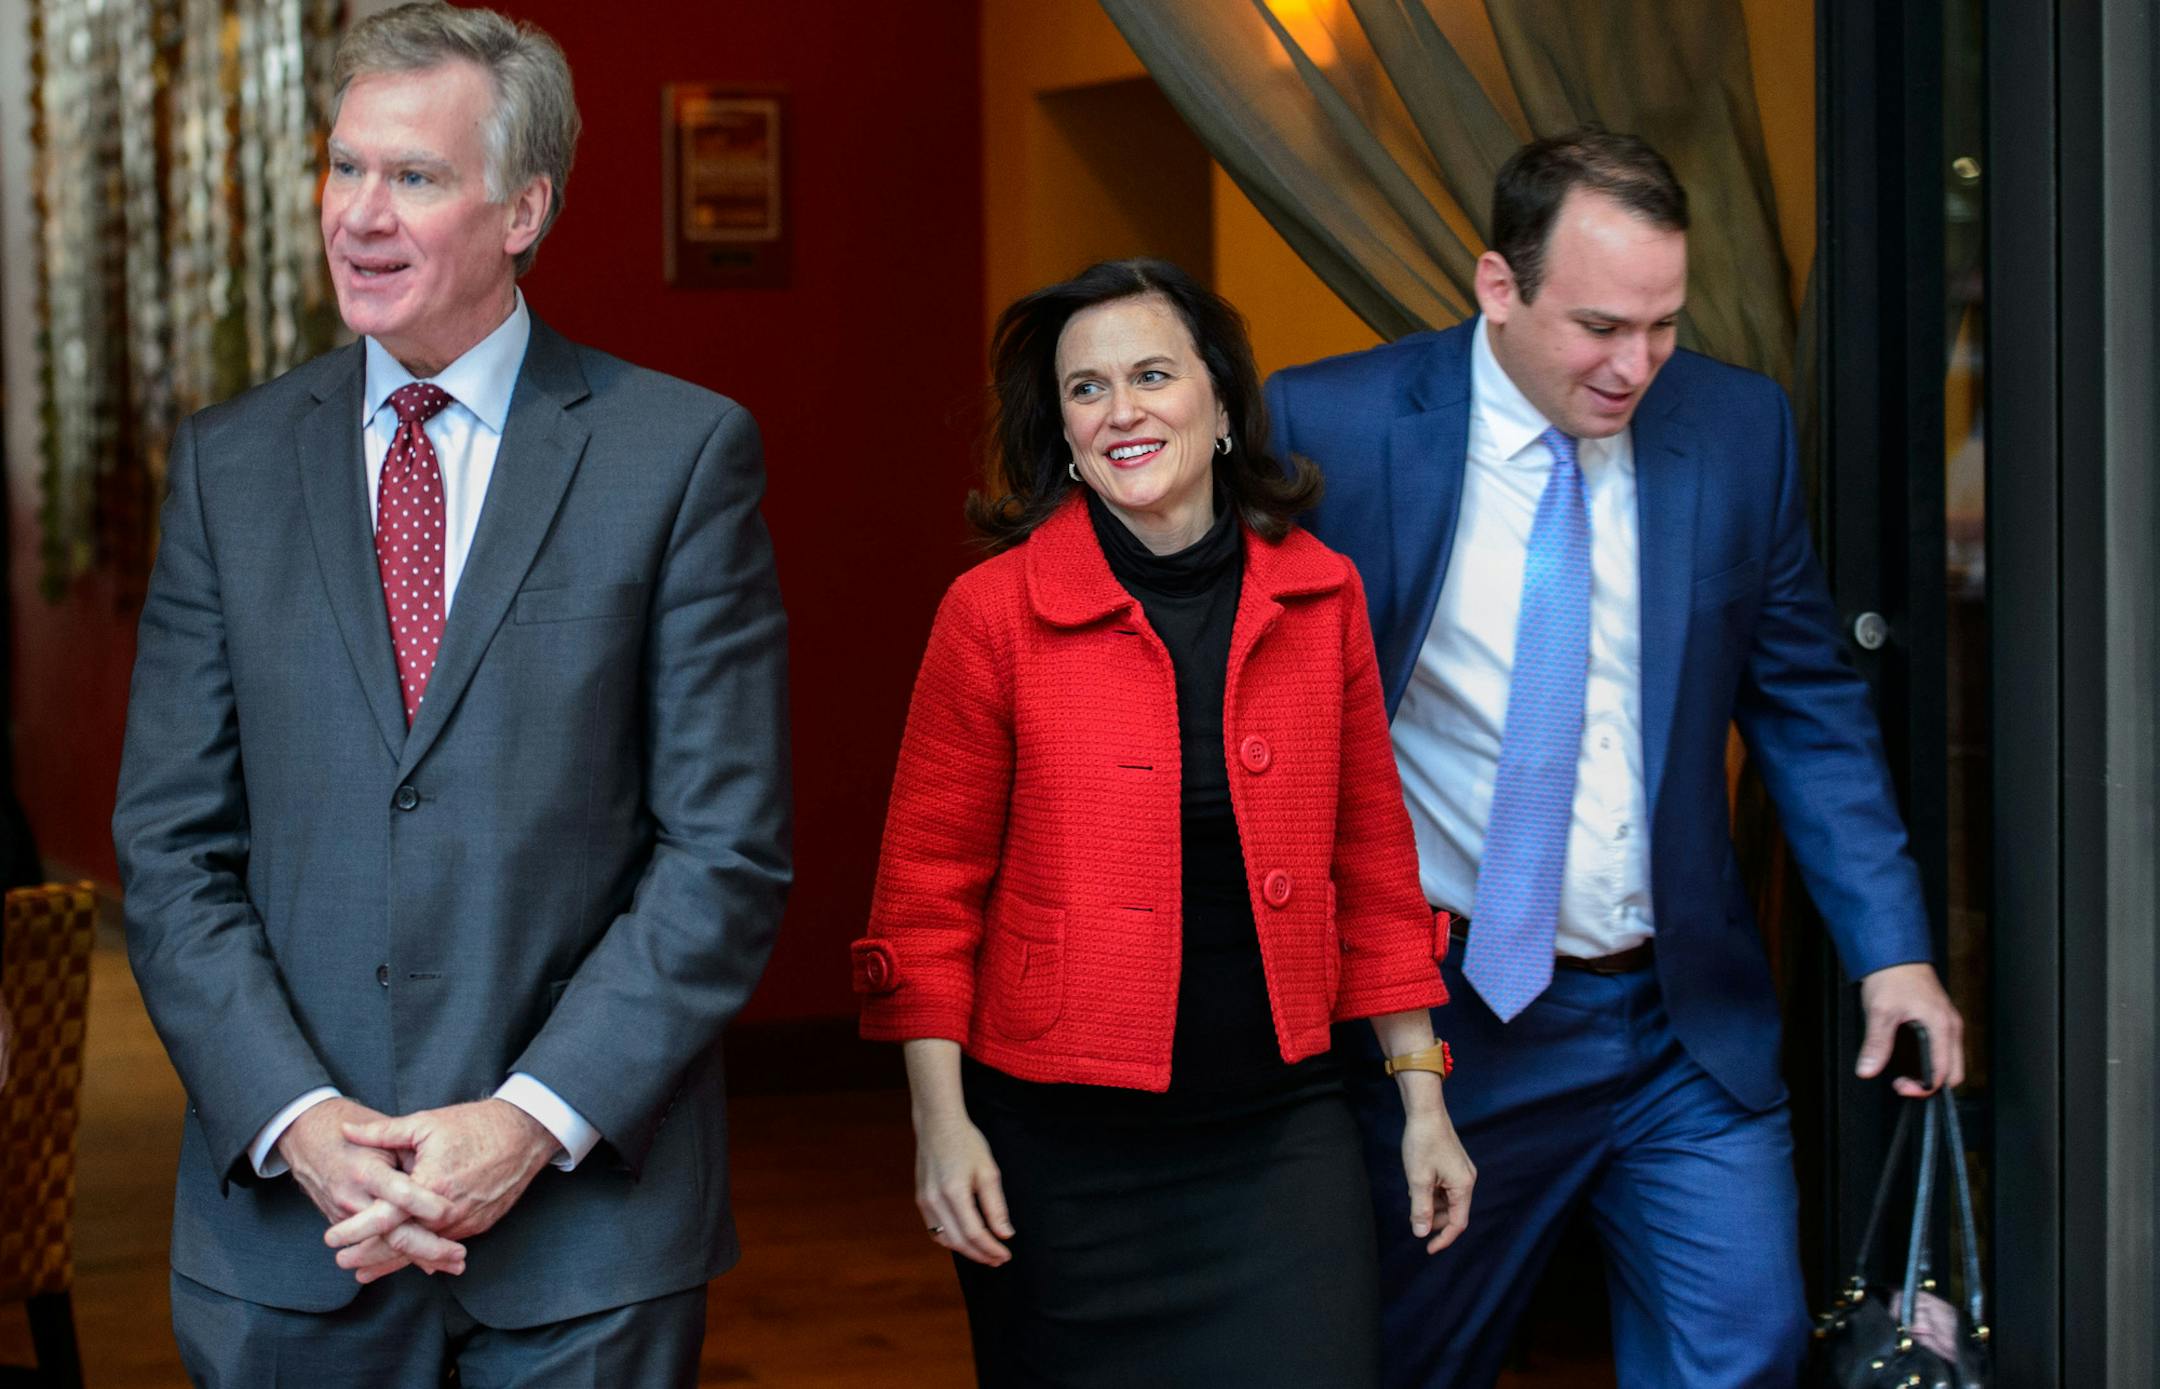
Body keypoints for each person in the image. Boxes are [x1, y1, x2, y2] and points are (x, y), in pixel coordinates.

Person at [111, 4, 790, 1381]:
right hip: (289, 1236)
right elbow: (172, 850)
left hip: (586, 1245)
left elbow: (723, 853)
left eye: (414, 176)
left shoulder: (677, 456)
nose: (361, 213)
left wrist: (533, 1118)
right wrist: (298, 1118)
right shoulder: (229, 469)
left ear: (524, 207)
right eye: (345, 167)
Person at [1266, 129, 1966, 1388]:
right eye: (1598, 325)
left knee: (1742, 1354)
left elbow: (1806, 703)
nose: (1634, 364)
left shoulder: (1739, 428)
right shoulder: (1336, 426)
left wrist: (1893, 950)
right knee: (1408, 1361)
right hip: (1448, 1030)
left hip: (1678, 1023)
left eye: (1663, 325)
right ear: (1498, 286)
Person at [851, 258, 1474, 1387]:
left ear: (1222, 404)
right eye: (1087, 389)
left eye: (1151, 374)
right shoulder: (990, 614)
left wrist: (1422, 1101)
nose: (1122, 410)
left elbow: (1374, 868)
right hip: (1058, 1158)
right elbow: (926, 896)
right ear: (1064, 429)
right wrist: (941, 1127)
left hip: (1282, 1137)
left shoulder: (1319, 592)